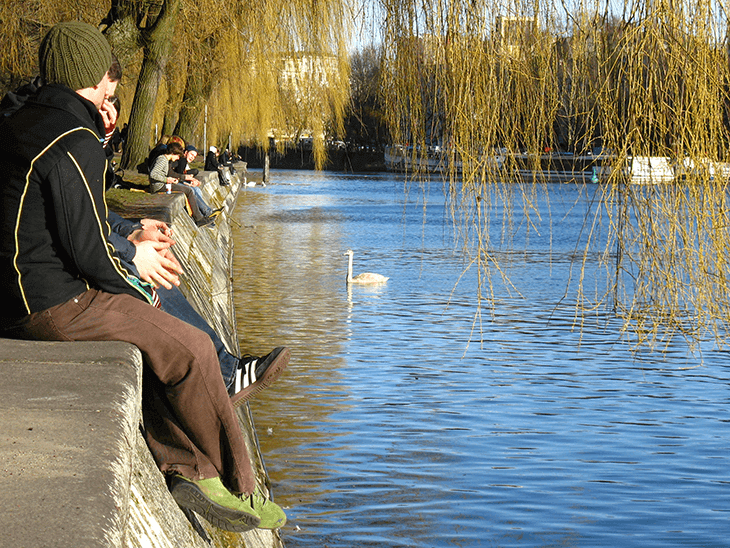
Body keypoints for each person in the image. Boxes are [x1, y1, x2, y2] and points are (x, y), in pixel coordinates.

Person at [0, 21, 286, 532]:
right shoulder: (73, 137)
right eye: (108, 80)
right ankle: (241, 486)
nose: (113, 91)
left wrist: (130, 241)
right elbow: (89, 253)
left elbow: (68, 222)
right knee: (191, 347)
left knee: (159, 340)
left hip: (17, 295)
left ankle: (189, 469)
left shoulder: (22, 123)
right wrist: (141, 275)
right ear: (91, 76)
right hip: (50, 306)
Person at [148, 141, 216, 227]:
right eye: (177, 156)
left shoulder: (166, 160)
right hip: (159, 186)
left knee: (189, 190)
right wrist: (166, 179)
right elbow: (153, 174)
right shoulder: (162, 159)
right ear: (172, 153)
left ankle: (200, 217)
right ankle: (199, 219)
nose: (177, 158)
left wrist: (177, 179)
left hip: (164, 184)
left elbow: (170, 173)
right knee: (189, 191)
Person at [168, 144, 220, 218]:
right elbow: (178, 176)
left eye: (194, 157)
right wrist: (188, 183)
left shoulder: (184, 160)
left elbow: (180, 175)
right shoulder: (182, 160)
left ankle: (205, 212)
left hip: (175, 181)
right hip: (171, 182)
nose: (192, 158)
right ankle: (206, 212)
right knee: (192, 190)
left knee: (197, 189)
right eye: (191, 154)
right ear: (186, 152)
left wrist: (192, 180)